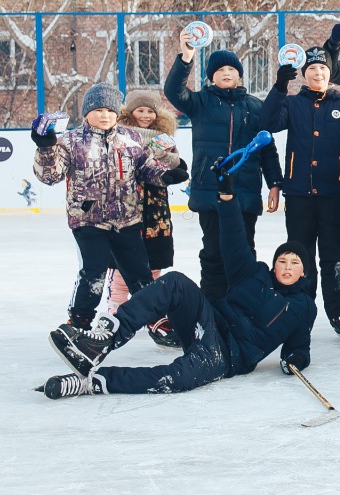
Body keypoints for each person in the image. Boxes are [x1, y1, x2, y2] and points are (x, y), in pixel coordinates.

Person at [42, 164, 316, 399]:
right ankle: (105, 338)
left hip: (227, 355)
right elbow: (234, 241)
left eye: (295, 263)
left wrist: (296, 359)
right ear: (274, 264)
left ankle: (89, 383)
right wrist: (227, 197)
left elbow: (299, 345)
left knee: (176, 378)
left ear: (303, 272)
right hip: (208, 321)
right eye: (282, 260)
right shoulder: (254, 273)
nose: (287, 266)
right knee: (175, 282)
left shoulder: (303, 306)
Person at [32, 84, 188, 330]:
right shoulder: (71, 141)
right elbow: (50, 176)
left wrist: (165, 176)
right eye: (98, 109)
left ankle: (154, 315)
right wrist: (45, 147)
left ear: (117, 113)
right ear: (86, 113)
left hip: (126, 218)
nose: (105, 115)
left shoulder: (131, 138)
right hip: (88, 220)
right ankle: (79, 319)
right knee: (93, 272)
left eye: (109, 110)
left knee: (140, 273)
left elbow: (145, 168)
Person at [164, 35, 282, 301]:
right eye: (220, 70)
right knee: (214, 253)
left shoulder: (255, 106)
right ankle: (213, 309)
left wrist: (275, 184)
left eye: (231, 69)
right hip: (210, 192)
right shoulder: (200, 102)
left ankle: (245, 304)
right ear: (211, 77)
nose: (226, 73)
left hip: (245, 193)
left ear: (239, 75)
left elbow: (267, 149)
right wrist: (186, 58)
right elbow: (173, 91)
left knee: (244, 250)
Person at [261, 46, 340, 335]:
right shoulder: (293, 103)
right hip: (299, 194)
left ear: (330, 74)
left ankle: (339, 311)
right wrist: (280, 86)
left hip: (334, 194)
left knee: (334, 257)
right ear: (304, 75)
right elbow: (267, 123)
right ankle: (299, 308)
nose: (318, 73)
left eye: (323, 69)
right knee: (300, 255)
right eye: (313, 69)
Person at [109, 89, 183, 347]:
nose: (145, 115)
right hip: (127, 208)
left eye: (150, 111)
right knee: (123, 265)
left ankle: (153, 316)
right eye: (140, 110)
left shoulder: (164, 138)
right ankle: (114, 313)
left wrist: (169, 160)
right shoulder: (117, 135)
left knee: (154, 263)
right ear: (129, 112)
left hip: (156, 211)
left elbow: (177, 164)